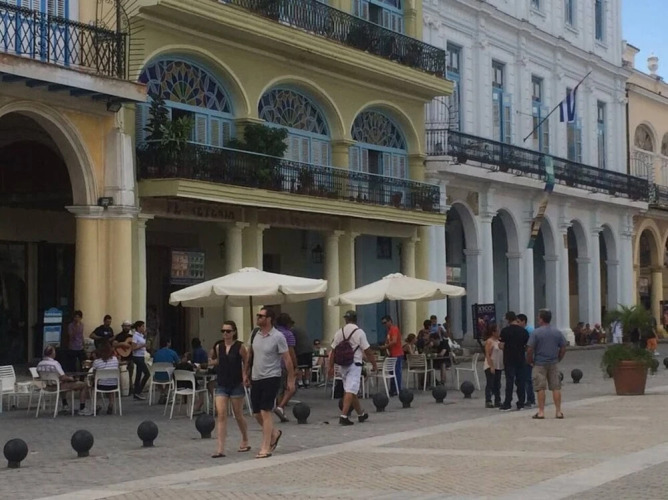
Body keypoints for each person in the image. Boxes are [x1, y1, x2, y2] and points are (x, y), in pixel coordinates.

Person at [244, 307, 295, 459]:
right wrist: (245, 373)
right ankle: (274, 433)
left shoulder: (278, 336)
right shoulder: (255, 334)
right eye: (257, 315)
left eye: (261, 316)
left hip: (272, 376)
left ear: (269, 319)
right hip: (256, 376)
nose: (258, 318)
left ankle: (265, 447)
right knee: (256, 413)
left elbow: (287, 359)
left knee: (266, 411)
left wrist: (291, 379)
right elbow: (249, 355)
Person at [329, 310, 377, 425]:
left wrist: (330, 366)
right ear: (356, 319)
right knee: (351, 390)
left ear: (345, 319)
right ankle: (344, 416)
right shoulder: (359, 332)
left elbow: (333, 351)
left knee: (350, 390)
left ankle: (360, 414)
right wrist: (374, 364)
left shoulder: (339, 332)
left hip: (342, 365)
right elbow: (367, 350)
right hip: (355, 364)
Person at [211, 320, 250, 458]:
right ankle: (220, 448)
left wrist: (245, 375)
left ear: (234, 332)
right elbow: (218, 361)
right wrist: (209, 363)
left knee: (238, 414)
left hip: (236, 383)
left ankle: (245, 438)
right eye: (223, 331)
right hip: (222, 383)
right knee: (221, 414)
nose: (225, 334)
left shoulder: (240, 346)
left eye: (228, 331)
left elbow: (246, 361)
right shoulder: (219, 347)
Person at [527, 309, 566, 419]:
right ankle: (558, 411)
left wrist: (530, 360)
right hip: (553, 362)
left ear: (541, 319)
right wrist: (559, 358)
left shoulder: (536, 332)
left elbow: (530, 349)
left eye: (538, 317)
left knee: (540, 387)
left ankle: (541, 411)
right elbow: (563, 347)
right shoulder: (557, 332)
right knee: (556, 387)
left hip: (539, 362)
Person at [37, 344, 92, 415]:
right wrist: (71, 379)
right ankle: (82, 408)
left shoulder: (40, 364)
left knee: (62, 382)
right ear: (52, 353)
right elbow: (63, 377)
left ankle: (65, 404)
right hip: (58, 386)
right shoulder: (55, 364)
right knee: (83, 385)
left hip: (46, 387)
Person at [499, 311, 529, 411]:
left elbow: (501, 345)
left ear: (508, 319)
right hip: (520, 358)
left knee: (509, 381)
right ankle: (521, 403)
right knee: (520, 381)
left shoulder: (505, 331)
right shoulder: (524, 331)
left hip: (509, 359)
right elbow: (527, 346)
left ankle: (507, 403)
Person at [274, 312, 298, 422]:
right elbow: (291, 352)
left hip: (274, 365)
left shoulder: (273, 333)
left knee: (280, 389)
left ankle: (281, 411)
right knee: (291, 388)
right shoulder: (288, 334)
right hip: (285, 364)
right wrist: (295, 365)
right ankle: (280, 407)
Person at [91, 339, 120, 415]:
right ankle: (111, 404)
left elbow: (94, 375)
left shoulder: (97, 362)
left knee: (94, 386)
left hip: (101, 385)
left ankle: (97, 405)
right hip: (114, 385)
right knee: (111, 384)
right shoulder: (115, 360)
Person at [152, 337, 181, 404]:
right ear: (168, 343)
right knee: (172, 376)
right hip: (168, 376)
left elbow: (154, 364)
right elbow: (178, 363)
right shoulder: (173, 353)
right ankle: (165, 392)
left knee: (155, 377)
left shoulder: (156, 354)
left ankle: (162, 393)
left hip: (157, 376)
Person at [380, 315, 403, 395]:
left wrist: (385, 346)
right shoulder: (389, 331)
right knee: (391, 371)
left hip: (397, 353)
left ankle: (397, 389)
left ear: (390, 321)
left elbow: (394, 341)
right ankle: (393, 389)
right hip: (392, 353)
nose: (384, 325)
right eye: (383, 323)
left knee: (396, 372)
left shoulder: (394, 329)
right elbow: (388, 341)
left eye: (385, 322)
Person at [517, 313, 535, 409]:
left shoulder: (529, 330)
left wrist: (531, 359)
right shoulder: (524, 330)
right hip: (523, 357)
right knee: (524, 379)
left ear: (523, 321)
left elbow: (531, 346)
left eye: (518, 322)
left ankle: (530, 399)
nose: (517, 323)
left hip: (528, 357)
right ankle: (528, 398)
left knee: (527, 379)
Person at [484, 323, 503, 408]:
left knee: (497, 384)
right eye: (497, 331)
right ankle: (488, 400)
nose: (499, 332)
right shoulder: (489, 341)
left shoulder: (499, 341)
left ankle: (497, 400)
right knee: (490, 383)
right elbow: (488, 354)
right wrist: (491, 366)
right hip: (491, 364)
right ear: (493, 332)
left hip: (499, 364)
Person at [112, 320, 134, 395]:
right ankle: (120, 389)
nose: (126, 327)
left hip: (130, 356)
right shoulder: (119, 336)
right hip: (121, 357)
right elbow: (114, 344)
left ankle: (130, 388)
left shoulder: (132, 336)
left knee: (130, 373)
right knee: (121, 374)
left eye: (128, 326)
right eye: (125, 326)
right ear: (122, 327)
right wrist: (123, 344)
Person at [131, 320, 151, 400]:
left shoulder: (141, 336)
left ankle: (136, 392)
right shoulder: (135, 336)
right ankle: (138, 391)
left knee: (138, 374)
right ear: (138, 327)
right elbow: (133, 347)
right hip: (137, 356)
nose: (144, 328)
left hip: (141, 356)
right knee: (147, 373)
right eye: (142, 326)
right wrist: (142, 345)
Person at [292, 321, 311, 389]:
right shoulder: (301, 329)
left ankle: (300, 382)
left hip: (300, 350)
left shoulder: (292, 330)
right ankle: (307, 381)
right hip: (309, 349)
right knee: (307, 367)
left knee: (300, 366)